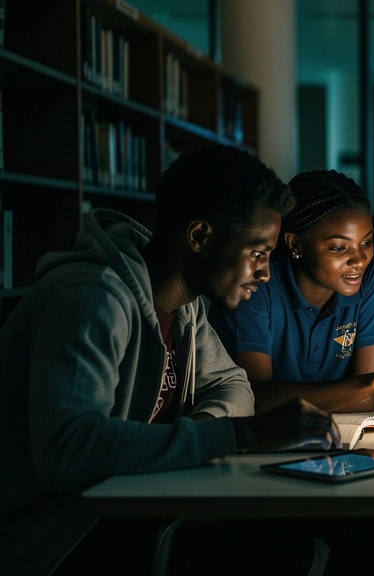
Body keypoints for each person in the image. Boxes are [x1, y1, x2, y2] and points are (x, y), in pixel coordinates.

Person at [0, 145, 342, 576]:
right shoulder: (91, 300)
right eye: (258, 253)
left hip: (126, 503)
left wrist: (205, 428)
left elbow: (233, 385)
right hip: (54, 534)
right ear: (199, 237)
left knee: (281, 536)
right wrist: (242, 433)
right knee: (267, 545)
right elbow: (70, 450)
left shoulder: (185, 306)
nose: (266, 273)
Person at [210, 170, 374, 418]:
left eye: (366, 242)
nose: (360, 260)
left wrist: (369, 388)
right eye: (339, 247)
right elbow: (254, 399)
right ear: (295, 244)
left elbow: (367, 400)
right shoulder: (257, 281)